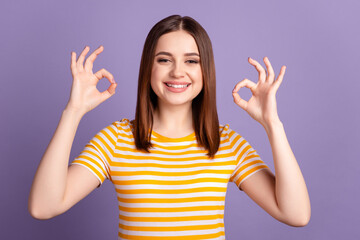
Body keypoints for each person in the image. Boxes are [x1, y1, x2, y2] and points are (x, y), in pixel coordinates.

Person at [28, 15, 311, 239]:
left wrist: (273, 124)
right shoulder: (116, 139)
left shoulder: (226, 143)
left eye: (191, 61)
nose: (177, 71)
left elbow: (296, 214)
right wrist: (73, 112)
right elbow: (44, 206)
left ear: (205, 72)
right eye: (164, 60)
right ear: (148, 69)